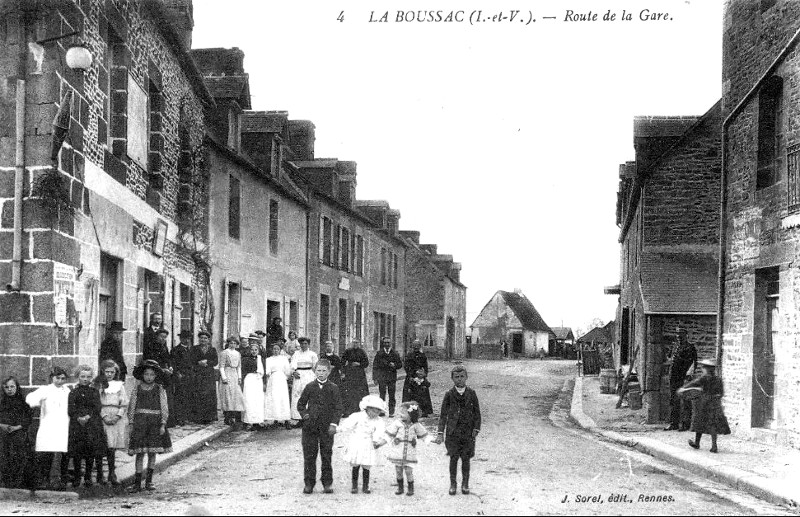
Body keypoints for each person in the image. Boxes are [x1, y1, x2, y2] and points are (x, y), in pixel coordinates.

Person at [296, 359, 342, 494]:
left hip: (327, 427)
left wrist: (334, 424)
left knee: (326, 455)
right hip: (310, 427)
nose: (321, 373)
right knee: (310, 455)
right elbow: (301, 404)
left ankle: (327, 483)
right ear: (314, 371)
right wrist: (305, 416)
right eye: (318, 371)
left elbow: (338, 408)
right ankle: (309, 483)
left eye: (323, 371)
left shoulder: (334, 387)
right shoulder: (310, 386)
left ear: (329, 371)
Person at [434, 365, 481, 496]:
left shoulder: (472, 393)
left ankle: (465, 484)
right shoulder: (449, 395)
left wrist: (476, 428)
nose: (459, 380)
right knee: (453, 458)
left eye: (462, 377)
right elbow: (443, 415)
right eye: (456, 377)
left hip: (467, 432)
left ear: (466, 377)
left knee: (466, 458)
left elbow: (477, 413)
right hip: (452, 433)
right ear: (452, 379)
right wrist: (440, 433)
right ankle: (453, 484)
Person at [127, 360, 172, 493]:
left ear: (156, 376)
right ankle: (137, 482)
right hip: (140, 423)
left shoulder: (159, 389)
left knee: (152, 452)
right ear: (142, 375)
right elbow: (132, 406)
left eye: (152, 375)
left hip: (154, 423)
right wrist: (131, 422)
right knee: (139, 453)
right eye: (146, 374)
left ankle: (149, 481)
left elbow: (164, 406)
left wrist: (163, 423)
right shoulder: (137, 388)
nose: (149, 377)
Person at [26, 367, 71, 490]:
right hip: (48, 424)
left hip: (62, 425)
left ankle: (57, 481)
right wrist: (36, 403)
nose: (60, 381)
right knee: (46, 452)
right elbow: (30, 398)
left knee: (61, 452)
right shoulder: (45, 390)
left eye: (63, 378)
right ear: (52, 378)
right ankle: (43, 480)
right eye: (57, 378)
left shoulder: (67, 391)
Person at [336, 394, 387, 494]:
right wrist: (338, 429)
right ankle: (354, 485)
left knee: (366, 464)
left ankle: (365, 486)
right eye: (373, 411)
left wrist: (376, 440)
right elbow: (348, 424)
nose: (374, 414)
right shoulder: (357, 416)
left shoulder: (378, 421)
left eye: (377, 412)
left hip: (368, 443)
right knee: (356, 463)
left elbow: (379, 431)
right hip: (356, 441)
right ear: (367, 408)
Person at [67, 365, 107, 488]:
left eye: (88, 377)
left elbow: (97, 407)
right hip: (77, 425)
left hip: (92, 425)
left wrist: (87, 417)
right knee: (77, 452)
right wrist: (78, 417)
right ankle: (77, 476)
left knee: (90, 451)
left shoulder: (94, 392)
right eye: (82, 376)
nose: (85, 379)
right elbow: (71, 408)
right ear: (78, 377)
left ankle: (88, 477)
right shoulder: (73, 392)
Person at [680, 359, 731, 453]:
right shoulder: (718, 379)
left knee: (699, 422)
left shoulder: (704, 378)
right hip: (715, 404)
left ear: (706, 369)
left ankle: (697, 443)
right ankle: (714, 446)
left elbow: (693, 383)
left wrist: (683, 388)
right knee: (713, 424)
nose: (702, 368)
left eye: (703, 367)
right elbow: (721, 393)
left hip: (704, 403)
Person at [94, 360, 127, 486]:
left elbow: (124, 403)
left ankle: (112, 473)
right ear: (102, 371)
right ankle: (99, 474)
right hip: (102, 417)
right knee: (101, 444)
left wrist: (118, 416)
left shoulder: (119, 386)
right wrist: (104, 416)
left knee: (111, 447)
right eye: (107, 372)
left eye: (112, 372)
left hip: (115, 419)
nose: (109, 374)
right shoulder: (99, 385)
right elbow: (96, 403)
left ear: (116, 373)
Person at [385, 401, 430, 496]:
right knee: (398, 470)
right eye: (400, 412)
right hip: (398, 450)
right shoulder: (397, 423)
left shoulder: (416, 425)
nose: (400, 414)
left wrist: (432, 440)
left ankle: (410, 488)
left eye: (403, 413)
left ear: (411, 415)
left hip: (410, 451)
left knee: (408, 470)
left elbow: (423, 435)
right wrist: (381, 442)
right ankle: (400, 487)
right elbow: (389, 434)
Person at [0, 376, 36, 489]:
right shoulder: (1, 401)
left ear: (17, 387)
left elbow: (28, 418)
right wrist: (2, 426)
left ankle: (18, 482)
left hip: (18, 432)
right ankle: (5, 482)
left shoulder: (23, 402)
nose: (9, 389)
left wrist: (17, 427)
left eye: (12, 386)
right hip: (2, 432)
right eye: (6, 387)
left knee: (20, 453)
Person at [139, 328, 175, 427]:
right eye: (161, 336)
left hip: (165, 375)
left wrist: (170, 366)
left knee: (166, 396)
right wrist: (162, 369)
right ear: (156, 336)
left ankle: (168, 420)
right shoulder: (151, 346)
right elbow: (151, 362)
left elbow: (168, 358)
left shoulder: (164, 346)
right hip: (156, 375)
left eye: (165, 337)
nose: (163, 339)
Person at [666, 328, 698, 431]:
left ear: (686, 336)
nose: (679, 338)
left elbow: (693, 363)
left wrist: (688, 376)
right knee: (673, 399)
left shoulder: (690, 348)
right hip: (674, 377)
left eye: (681, 336)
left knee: (685, 401)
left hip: (684, 377)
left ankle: (685, 424)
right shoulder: (675, 346)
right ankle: (673, 423)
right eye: (677, 336)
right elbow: (669, 357)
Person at [190, 330, 218, 424]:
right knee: (198, 394)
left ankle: (209, 417)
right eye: (201, 338)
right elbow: (190, 360)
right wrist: (198, 363)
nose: (203, 340)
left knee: (209, 395)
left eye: (205, 338)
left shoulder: (212, 349)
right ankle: (198, 417)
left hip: (209, 374)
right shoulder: (194, 348)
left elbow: (215, 361)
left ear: (208, 340)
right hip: (198, 374)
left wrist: (207, 362)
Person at [290, 337, 319, 426]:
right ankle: (299, 418)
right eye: (302, 344)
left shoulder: (312, 354)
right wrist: (294, 372)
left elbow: (316, 366)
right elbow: (292, 365)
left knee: (309, 395)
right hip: (299, 375)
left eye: (305, 344)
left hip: (309, 375)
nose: (303, 345)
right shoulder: (296, 354)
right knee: (298, 395)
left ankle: (309, 418)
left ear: (308, 344)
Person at [264, 343, 292, 429]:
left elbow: (287, 371)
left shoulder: (284, 359)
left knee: (283, 398)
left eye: (277, 349)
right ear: (272, 350)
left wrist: (285, 377)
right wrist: (269, 379)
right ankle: (275, 420)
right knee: (274, 399)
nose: (276, 351)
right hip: (273, 379)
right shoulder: (268, 359)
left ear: (280, 350)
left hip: (282, 379)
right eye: (274, 349)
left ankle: (286, 420)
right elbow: (267, 371)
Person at [219, 336, 246, 428]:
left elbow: (239, 367)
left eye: (234, 343)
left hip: (234, 374)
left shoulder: (238, 353)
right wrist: (224, 377)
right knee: (227, 395)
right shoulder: (224, 353)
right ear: (228, 343)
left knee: (235, 395)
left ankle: (233, 416)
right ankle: (227, 417)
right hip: (227, 373)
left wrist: (239, 377)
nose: (232, 345)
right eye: (231, 343)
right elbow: (221, 366)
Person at [373, 337, 402, 416]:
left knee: (392, 395)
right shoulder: (379, 353)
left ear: (391, 343)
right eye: (385, 343)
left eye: (388, 343)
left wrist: (395, 365)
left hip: (391, 377)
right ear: (383, 344)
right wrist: (375, 378)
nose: (386, 344)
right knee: (382, 394)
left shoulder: (395, 353)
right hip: (382, 377)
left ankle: (391, 411)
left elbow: (400, 364)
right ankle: (381, 411)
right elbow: (375, 366)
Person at [341, 340, 370, 417]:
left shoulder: (362, 352)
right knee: (349, 392)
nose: (355, 344)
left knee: (360, 391)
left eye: (357, 343)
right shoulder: (347, 351)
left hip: (360, 374)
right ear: (351, 343)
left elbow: (366, 363)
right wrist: (343, 373)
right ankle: (348, 411)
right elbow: (342, 362)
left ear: (359, 344)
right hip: (349, 373)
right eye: (354, 343)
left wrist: (359, 364)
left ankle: (360, 409)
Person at [171, 330, 194, 426]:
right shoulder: (176, 350)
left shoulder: (191, 350)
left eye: (188, 338)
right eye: (185, 338)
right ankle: (179, 417)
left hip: (189, 375)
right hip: (181, 376)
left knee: (188, 396)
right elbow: (173, 363)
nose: (187, 340)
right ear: (181, 339)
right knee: (180, 396)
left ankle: (186, 416)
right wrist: (177, 373)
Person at [242, 341, 265, 430]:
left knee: (258, 400)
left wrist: (264, 383)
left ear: (258, 351)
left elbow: (265, 371)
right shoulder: (246, 359)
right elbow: (243, 372)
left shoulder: (261, 359)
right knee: (249, 400)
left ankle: (257, 421)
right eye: (252, 350)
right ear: (249, 350)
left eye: (256, 350)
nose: (254, 351)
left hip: (258, 380)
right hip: (249, 379)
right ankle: (249, 422)